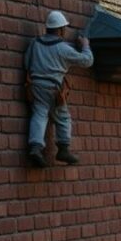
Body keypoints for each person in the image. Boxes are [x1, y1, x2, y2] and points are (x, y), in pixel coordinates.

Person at [24, 10, 93, 168]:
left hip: (35, 86)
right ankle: (63, 149)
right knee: (63, 117)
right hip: (54, 88)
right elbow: (87, 61)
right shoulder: (63, 48)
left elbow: (26, 62)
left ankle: (35, 147)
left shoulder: (35, 43)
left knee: (40, 113)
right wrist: (85, 46)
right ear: (61, 30)